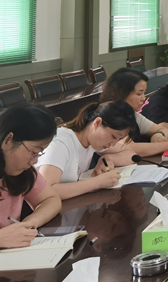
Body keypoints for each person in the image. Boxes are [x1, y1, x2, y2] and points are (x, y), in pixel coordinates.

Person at [38, 101, 140, 200]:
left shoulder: (92, 141)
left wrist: (108, 158)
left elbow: (131, 155)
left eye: (119, 139)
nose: (113, 144)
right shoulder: (61, 143)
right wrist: (97, 182)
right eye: (114, 136)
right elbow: (45, 192)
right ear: (97, 123)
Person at [0, 104, 61, 248]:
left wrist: (30, 223)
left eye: (39, 153)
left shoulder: (21, 172)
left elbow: (51, 199)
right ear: (8, 140)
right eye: (33, 152)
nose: (35, 161)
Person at [99, 68, 168, 154]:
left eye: (144, 93)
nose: (143, 98)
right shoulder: (109, 116)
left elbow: (163, 129)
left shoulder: (132, 114)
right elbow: (129, 148)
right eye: (139, 94)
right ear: (122, 93)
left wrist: (159, 135)